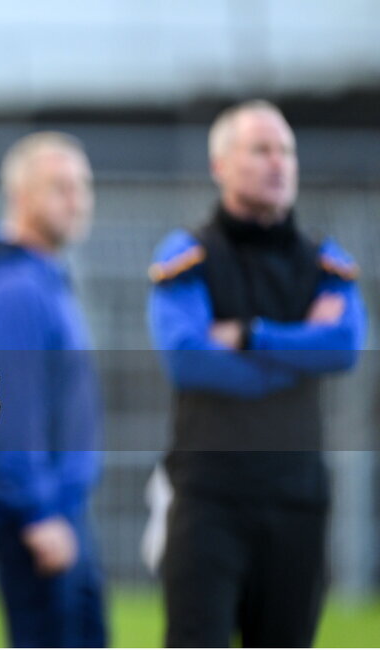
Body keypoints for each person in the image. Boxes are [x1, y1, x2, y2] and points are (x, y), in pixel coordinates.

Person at [147, 100, 367, 647]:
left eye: (286, 150)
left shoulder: (325, 263)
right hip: (209, 501)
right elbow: (189, 358)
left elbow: (343, 347)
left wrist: (250, 337)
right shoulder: (187, 255)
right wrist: (296, 359)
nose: (278, 163)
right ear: (220, 165)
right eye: (261, 150)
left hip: (297, 502)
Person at [0, 133, 106, 647]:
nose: (78, 199)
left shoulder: (45, 276)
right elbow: (4, 414)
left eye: (83, 186)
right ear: (22, 196)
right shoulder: (17, 288)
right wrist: (40, 514)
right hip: (37, 513)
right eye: (60, 187)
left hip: (57, 507)